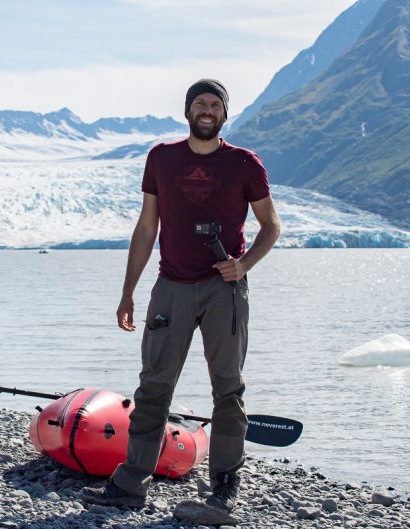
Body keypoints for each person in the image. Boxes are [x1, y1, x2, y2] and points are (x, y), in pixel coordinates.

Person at [80, 79, 281, 515]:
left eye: (215, 105)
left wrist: (244, 265)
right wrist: (128, 290)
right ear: (187, 111)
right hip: (170, 286)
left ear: (225, 114)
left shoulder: (245, 164)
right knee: (154, 387)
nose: (207, 111)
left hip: (223, 290)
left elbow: (271, 226)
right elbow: (146, 227)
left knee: (227, 390)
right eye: (199, 104)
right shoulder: (162, 159)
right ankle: (130, 484)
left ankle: (224, 487)